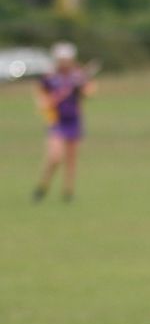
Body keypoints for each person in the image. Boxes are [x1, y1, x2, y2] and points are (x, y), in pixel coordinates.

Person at [32, 42, 95, 203]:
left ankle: (68, 192)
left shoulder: (78, 76)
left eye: (67, 59)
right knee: (55, 157)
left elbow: (89, 91)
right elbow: (42, 100)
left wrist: (80, 89)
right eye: (62, 59)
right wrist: (54, 98)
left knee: (71, 158)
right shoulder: (50, 78)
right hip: (57, 121)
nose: (65, 62)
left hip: (74, 120)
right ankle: (43, 186)